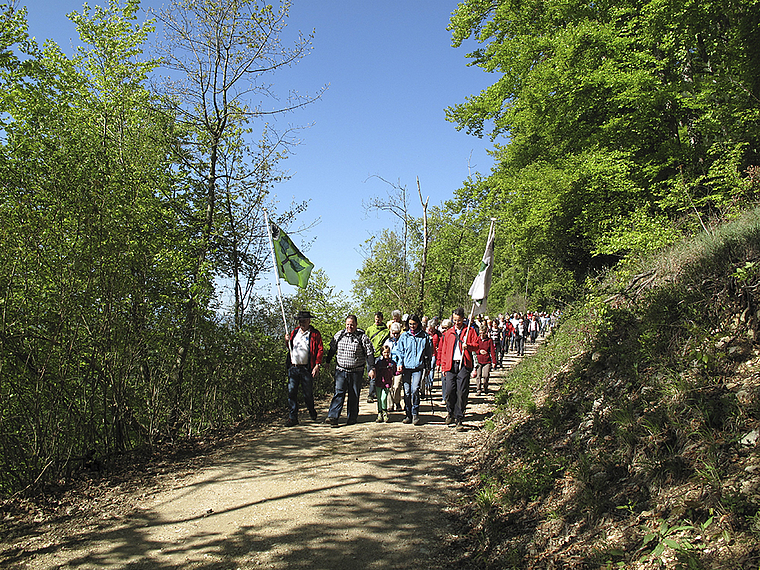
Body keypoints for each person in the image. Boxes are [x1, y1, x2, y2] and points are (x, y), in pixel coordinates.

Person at [324, 315, 375, 426]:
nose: (349, 326)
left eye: (352, 324)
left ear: (356, 325)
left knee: (354, 394)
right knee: (338, 393)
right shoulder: (339, 335)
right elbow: (332, 349)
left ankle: (352, 417)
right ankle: (333, 416)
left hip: (356, 371)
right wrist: (327, 362)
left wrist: (371, 368)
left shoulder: (362, 337)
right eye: (348, 324)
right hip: (341, 370)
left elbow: (370, 354)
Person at [438, 307, 478, 431]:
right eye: (455, 320)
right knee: (449, 391)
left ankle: (459, 417)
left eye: (459, 320)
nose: (456, 323)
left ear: (463, 319)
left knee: (462, 392)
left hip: (464, 365)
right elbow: (444, 350)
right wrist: (443, 366)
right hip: (450, 365)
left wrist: (468, 346)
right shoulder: (448, 333)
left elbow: (476, 346)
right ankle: (450, 411)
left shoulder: (469, 331)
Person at [391, 314, 432, 425]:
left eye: (414, 324)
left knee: (415, 389)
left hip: (418, 367)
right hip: (406, 367)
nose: (412, 326)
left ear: (418, 324)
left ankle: (415, 414)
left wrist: (428, 366)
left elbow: (429, 352)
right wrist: (399, 363)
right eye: (410, 324)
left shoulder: (424, 336)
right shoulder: (404, 336)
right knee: (407, 392)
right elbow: (399, 351)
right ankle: (408, 413)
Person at [285, 310, 324, 427]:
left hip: (307, 369)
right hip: (293, 367)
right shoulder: (294, 332)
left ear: (309, 321)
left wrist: (317, 365)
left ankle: (312, 411)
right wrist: (287, 341)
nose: (302, 322)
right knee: (292, 393)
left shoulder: (315, 334)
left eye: (304, 320)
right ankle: (293, 417)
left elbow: (320, 350)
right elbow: (290, 348)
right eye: (300, 320)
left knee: (307, 394)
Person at [364, 311, 390, 403]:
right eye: (375, 319)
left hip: (380, 355)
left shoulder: (386, 331)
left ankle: (373, 394)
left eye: (378, 319)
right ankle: (372, 394)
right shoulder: (370, 329)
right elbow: (365, 341)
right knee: (371, 375)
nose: (377, 320)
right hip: (370, 355)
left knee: (377, 375)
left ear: (382, 319)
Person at [373, 345, 395, 422]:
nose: (386, 354)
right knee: (379, 399)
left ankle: (385, 412)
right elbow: (374, 371)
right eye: (384, 352)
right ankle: (379, 413)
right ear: (382, 353)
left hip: (387, 383)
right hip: (379, 382)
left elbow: (395, 372)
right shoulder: (379, 362)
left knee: (384, 398)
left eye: (388, 352)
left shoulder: (392, 363)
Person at [475, 325, 496, 395]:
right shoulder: (477, 340)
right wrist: (479, 351)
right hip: (479, 360)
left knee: (486, 375)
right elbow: (474, 349)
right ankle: (478, 389)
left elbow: (492, 351)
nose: (482, 335)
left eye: (483, 333)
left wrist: (494, 361)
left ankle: (485, 387)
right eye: (480, 333)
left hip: (487, 360)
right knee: (478, 375)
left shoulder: (489, 341)